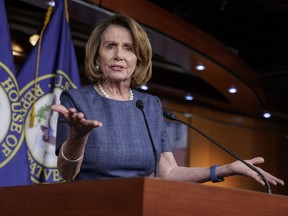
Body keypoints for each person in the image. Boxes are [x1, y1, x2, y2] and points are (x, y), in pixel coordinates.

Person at [51, 14, 284, 188]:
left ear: (138, 59)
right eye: (110, 46)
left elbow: (169, 173)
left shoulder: (149, 105)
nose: (119, 55)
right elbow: (67, 173)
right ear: (97, 55)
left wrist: (226, 169)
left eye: (128, 48)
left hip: (140, 207)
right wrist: (77, 137)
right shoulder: (77, 100)